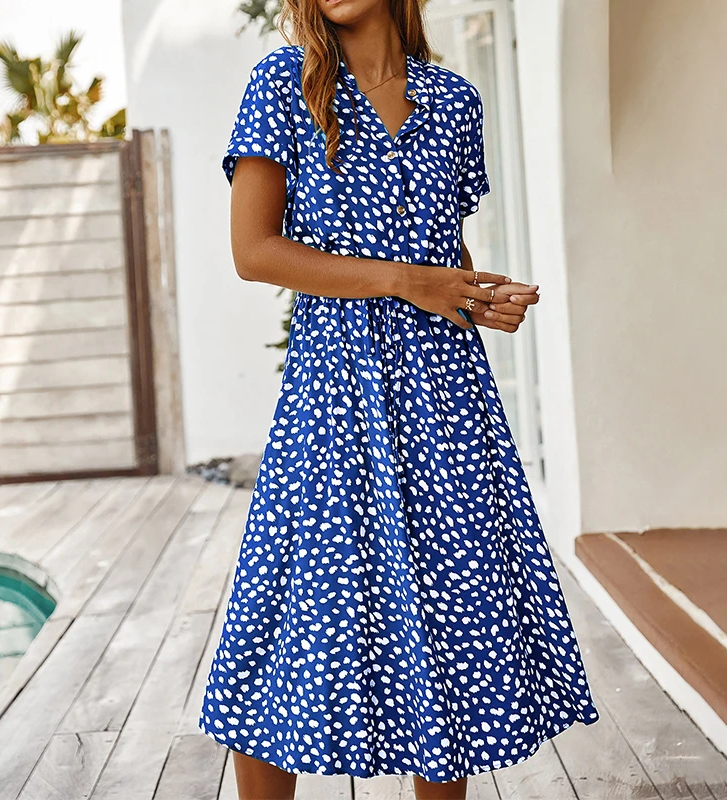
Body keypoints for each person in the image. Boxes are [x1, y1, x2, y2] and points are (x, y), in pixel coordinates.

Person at [198, 0, 600, 798]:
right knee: (292, 611)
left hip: (445, 392)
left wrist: (479, 300)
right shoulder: (285, 82)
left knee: (448, 612)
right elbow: (254, 252)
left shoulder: (454, 101)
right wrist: (405, 281)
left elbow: (444, 255)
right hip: (335, 387)